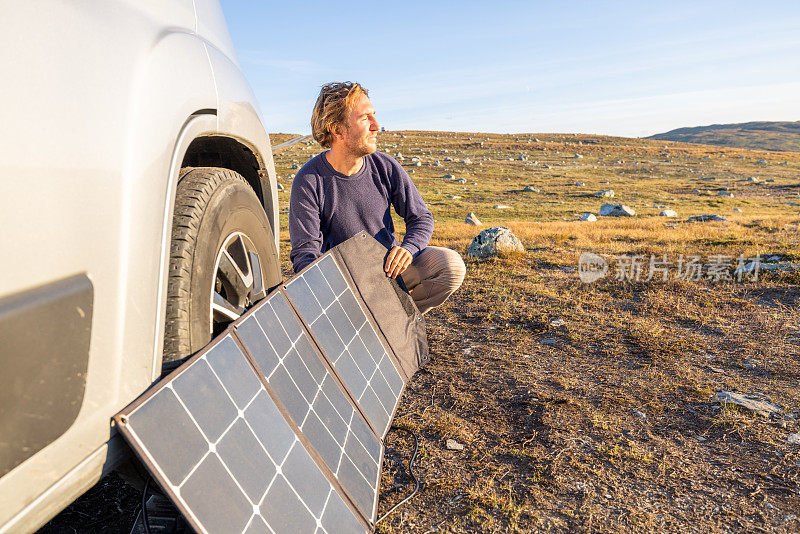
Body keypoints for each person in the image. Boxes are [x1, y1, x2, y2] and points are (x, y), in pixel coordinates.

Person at [289, 81, 465, 314]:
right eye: (365, 118)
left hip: (389, 272)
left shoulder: (385, 166)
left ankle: (399, 325)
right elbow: (305, 255)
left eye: (374, 116)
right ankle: (361, 327)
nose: (377, 126)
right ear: (337, 129)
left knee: (449, 267)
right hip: (343, 285)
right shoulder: (309, 180)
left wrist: (408, 249)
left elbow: (421, 217)